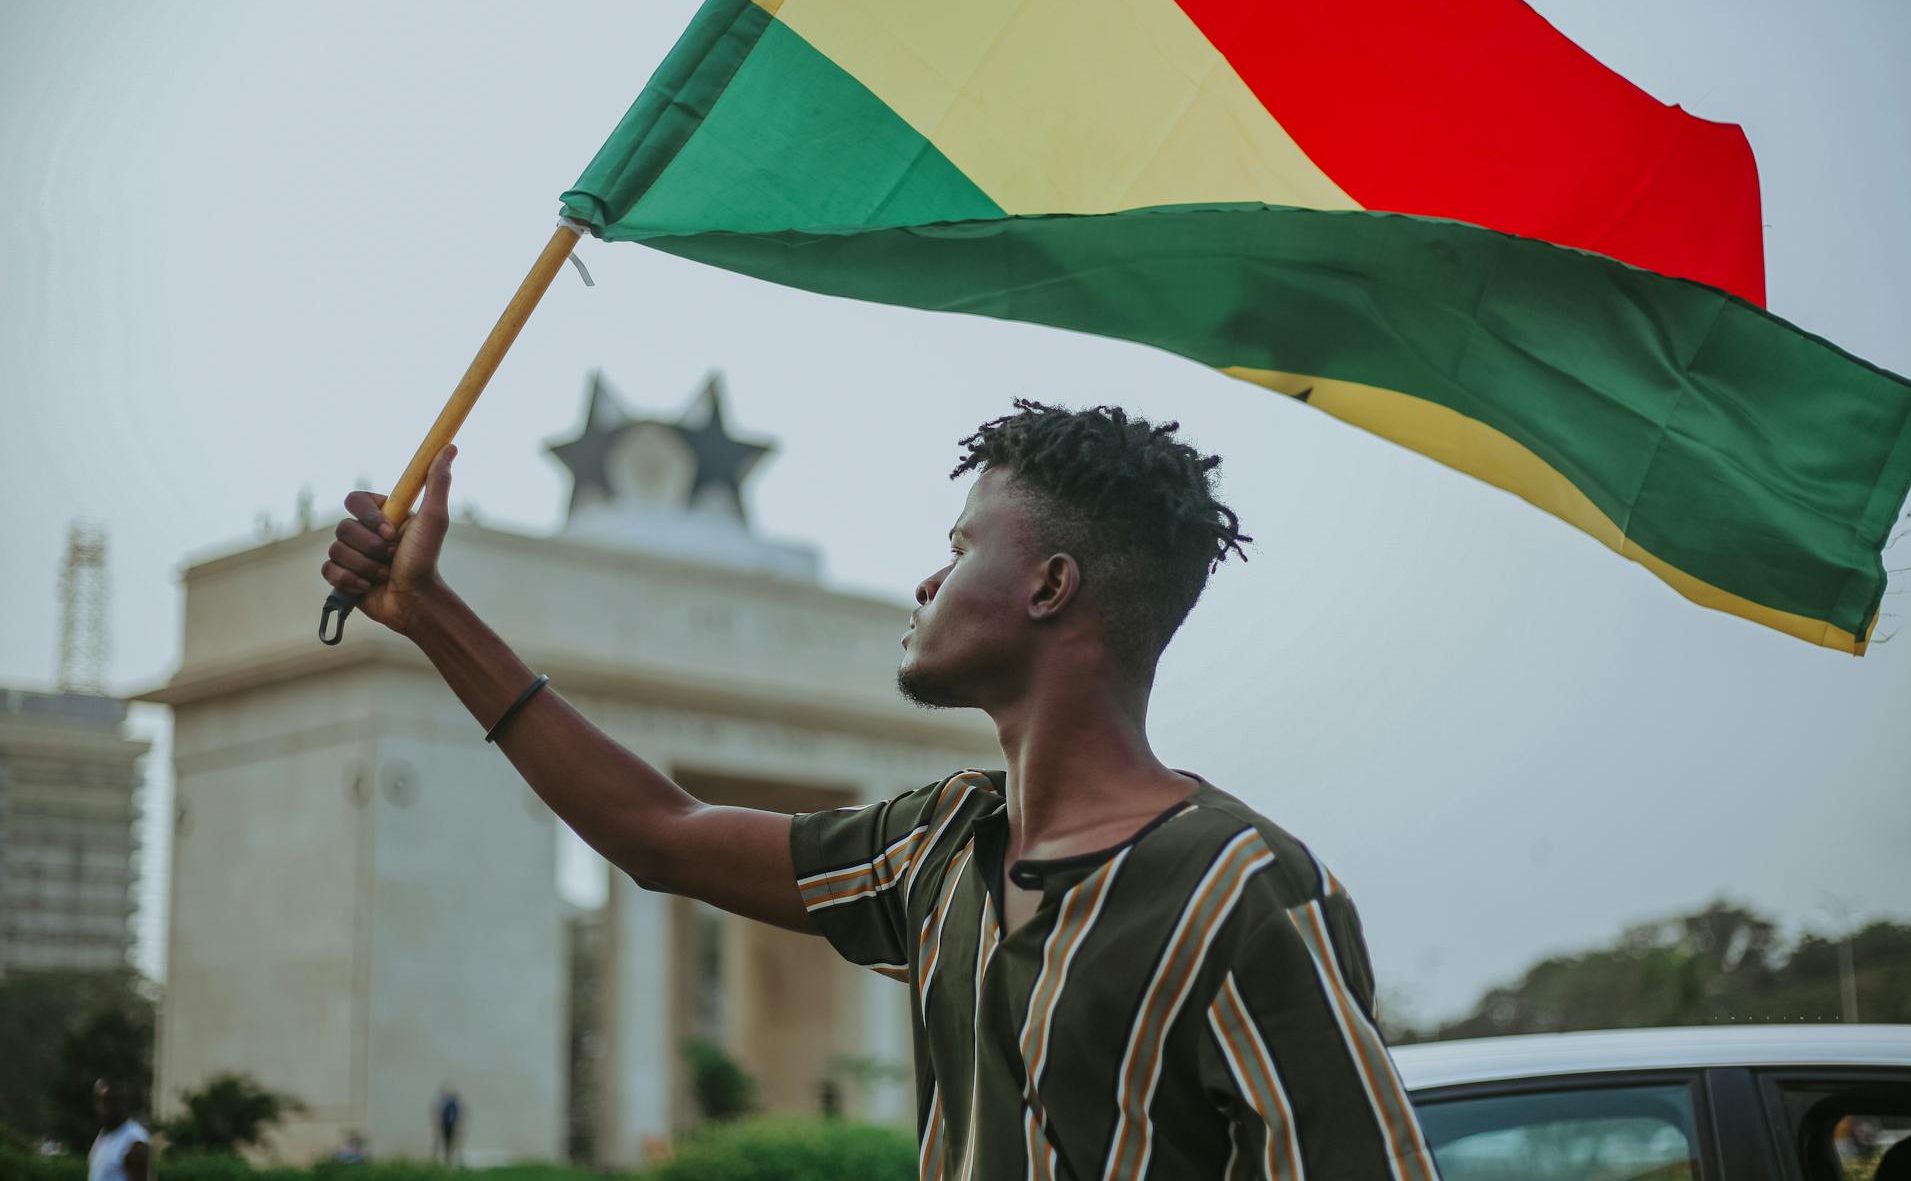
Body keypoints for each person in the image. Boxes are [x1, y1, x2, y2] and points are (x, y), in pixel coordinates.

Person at [323, 400, 1441, 1180]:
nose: (925, 577)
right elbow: (659, 832)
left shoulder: (1241, 889)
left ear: (1051, 584)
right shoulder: (940, 846)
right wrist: (430, 614)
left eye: (958, 546)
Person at [87, 1079, 150, 1181]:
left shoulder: (133, 1141)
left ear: (121, 1103)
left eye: (107, 1102)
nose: (102, 1109)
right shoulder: (105, 1133)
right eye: (98, 1100)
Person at [433, 1087, 461, 1166]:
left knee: (449, 1143)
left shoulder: (451, 1106)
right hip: (445, 1127)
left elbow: (454, 1117)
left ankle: (449, 1159)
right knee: (444, 1143)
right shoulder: (447, 1105)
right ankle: (443, 1158)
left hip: (449, 1127)